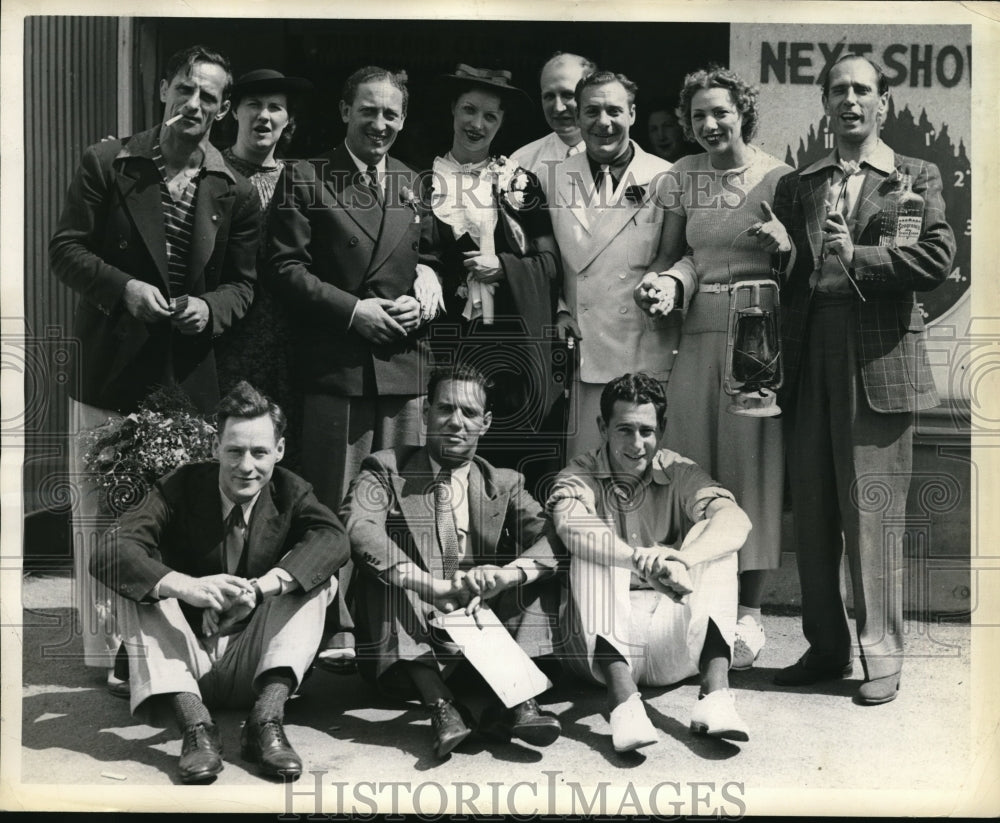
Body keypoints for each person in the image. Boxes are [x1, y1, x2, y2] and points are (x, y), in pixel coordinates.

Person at [49, 44, 261, 694]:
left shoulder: (234, 190)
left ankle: (155, 645)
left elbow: (244, 286)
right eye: (185, 91)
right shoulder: (109, 163)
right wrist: (123, 289)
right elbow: (66, 249)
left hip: (185, 382)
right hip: (111, 368)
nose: (193, 105)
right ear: (165, 91)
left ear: (223, 111)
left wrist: (208, 305)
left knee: (163, 514)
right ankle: (99, 647)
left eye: (208, 97)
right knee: (100, 509)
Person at [771, 54, 955, 705]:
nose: (850, 100)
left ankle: (883, 655)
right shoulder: (800, 183)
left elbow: (935, 255)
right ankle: (825, 646)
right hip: (808, 354)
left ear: (882, 102)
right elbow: (787, 272)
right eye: (838, 90)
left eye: (862, 90)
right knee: (816, 510)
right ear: (824, 103)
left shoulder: (914, 174)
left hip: (876, 358)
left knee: (872, 515)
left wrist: (861, 255)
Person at [267, 65, 444, 669]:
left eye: (391, 113)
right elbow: (285, 269)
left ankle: (395, 636)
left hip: (401, 365)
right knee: (333, 503)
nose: (380, 123)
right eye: (368, 110)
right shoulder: (306, 176)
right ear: (345, 111)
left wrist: (430, 277)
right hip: (338, 366)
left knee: (398, 503)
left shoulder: (413, 181)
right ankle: (327, 626)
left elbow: (432, 249)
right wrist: (352, 311)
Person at [89, 381, 348, 782]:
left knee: (317, 579)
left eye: (260, 452)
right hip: (183, 665)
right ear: (215, 448)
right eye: (235, 451)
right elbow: (110, 551)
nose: (247, 466)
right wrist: (186, 586)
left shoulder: (291, 491)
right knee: (138, 585)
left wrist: (258, 590)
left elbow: (334, 540)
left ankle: (266, 722)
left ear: (278, 451)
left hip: (256, 664)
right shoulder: (179, 486)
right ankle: (196, 728)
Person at [632, 66, 793, 671]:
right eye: (698, 115)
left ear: (742, 112)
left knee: (752, 470)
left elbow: (800, 262)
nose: (709, 124)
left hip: (758, 337)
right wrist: (669, 284)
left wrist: (787, 244)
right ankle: (692, 597)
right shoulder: (681, 177)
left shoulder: (779, 176)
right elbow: (677, 257)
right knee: (693, 464)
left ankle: (749, 614)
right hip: (698, 335)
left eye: (720, 112)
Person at [344, 364, 564, 759]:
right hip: (410, 641)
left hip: (482, 630)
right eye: (445, 409)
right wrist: (431, 586)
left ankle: (517, 702)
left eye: (469, 413)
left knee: (535, 573)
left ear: (486, 423)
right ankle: (441, 706)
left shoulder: (505, 482)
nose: (456, 422)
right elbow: (360, 530)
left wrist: (505, 575)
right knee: (379, 573)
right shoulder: (384, 468)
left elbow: (553, 540)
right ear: (425, 414)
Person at [547, 373, 752, 752]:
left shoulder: (679, 469)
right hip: (596, 650)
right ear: (602, 427)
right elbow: (570, 525)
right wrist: (636, 561)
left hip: (669, 643)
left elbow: (736, 520)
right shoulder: (580, 472)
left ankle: (716, 698)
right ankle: (623, 704)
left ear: (662, 430)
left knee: (714, 540)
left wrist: (683, 558)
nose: (637, 444)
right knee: (594, 544)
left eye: (646, 431)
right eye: (624, 430)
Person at [423, 63, 563, 496]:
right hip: (442, 339)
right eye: (469, 110)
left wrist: (506, 267)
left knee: (507, 457)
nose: (477, 124)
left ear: (501, 123)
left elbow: (551, 262)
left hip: (507, 345)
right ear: (452, 111)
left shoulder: (520, 184)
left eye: (490, 116)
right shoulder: (419, 180)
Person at [541, 70, 681, 459]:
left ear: (632, 114)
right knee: (589, 473)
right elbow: (545, 260)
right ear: (579, 116)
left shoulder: (666, 177)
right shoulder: (551, 178)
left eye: (614, 111)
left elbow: (674, 256)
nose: (603, 123)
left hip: (644, 349)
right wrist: (560, 309)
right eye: (592, 111)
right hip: (586, 351)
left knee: (647, 473)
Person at [215, 68, 313, 469]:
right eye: (253, 105)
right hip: (225, 337)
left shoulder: (302, 179)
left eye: (276, 108)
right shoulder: (212, 171)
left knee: (281, 448)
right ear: (233, 111)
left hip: (287, 342)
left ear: (288, 121)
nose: (264, 116)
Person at [510, 52, 596, 180]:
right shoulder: (521, 162)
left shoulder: (621, 158)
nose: (558, 107)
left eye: (568, 95)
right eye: (549, 96)